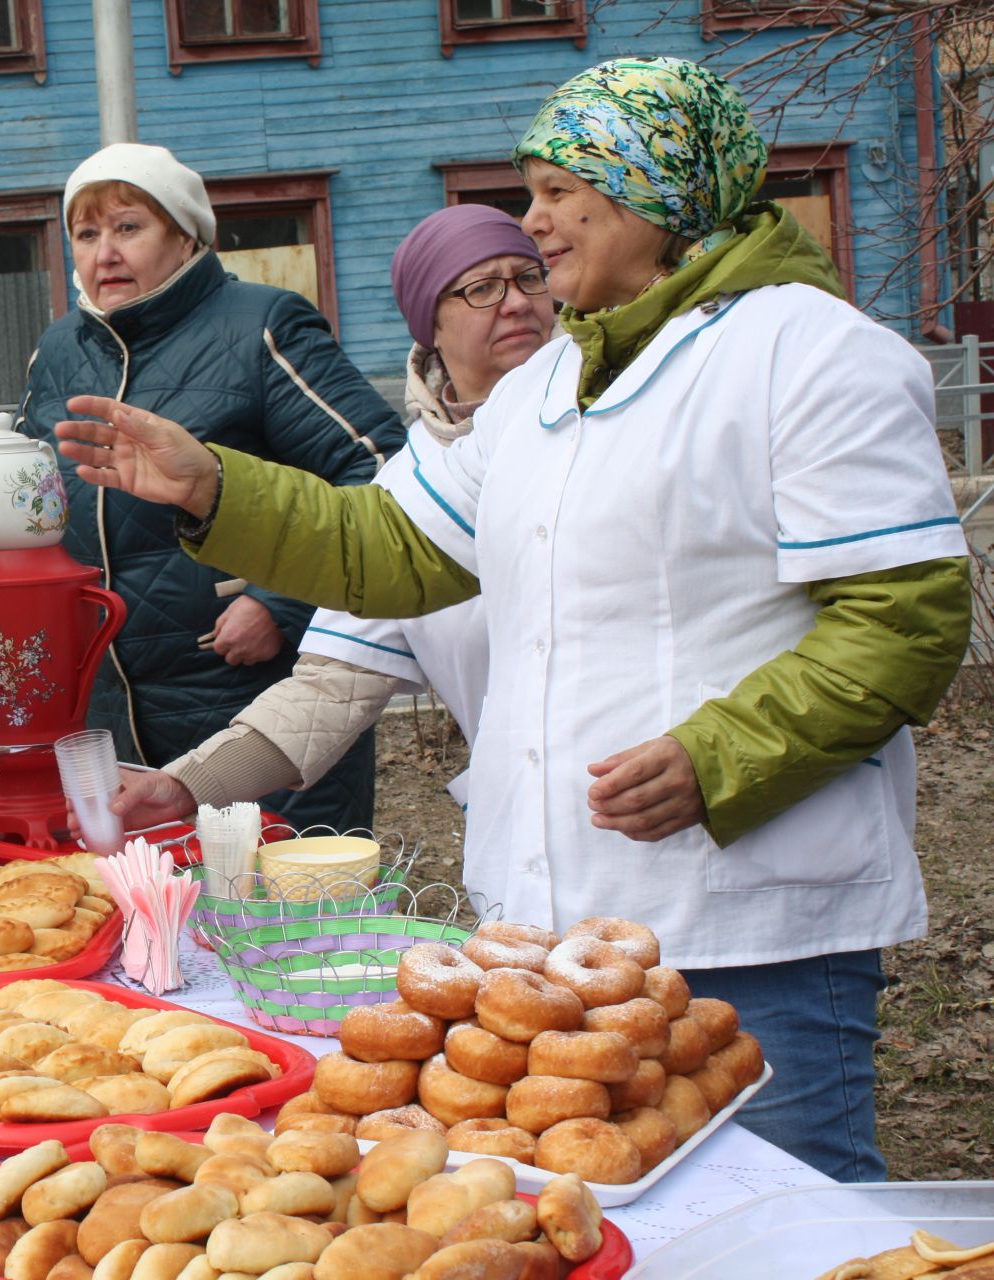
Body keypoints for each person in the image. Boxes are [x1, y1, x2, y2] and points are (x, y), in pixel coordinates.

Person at [55, 57, 971, 1183]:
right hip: (547, 930)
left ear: (649, 189)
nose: (530, 223)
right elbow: (384, 551)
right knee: (617, 1225)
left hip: (749, 924)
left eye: (552, 190)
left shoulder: (810, 351)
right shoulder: (548, 387)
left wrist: (721, 753)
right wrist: (214, 488)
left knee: (789, 1215)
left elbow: (904, 619)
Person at [114, 205, 552, 831]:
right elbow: (331, 691)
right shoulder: (411, 484)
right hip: (527, 825)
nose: (515, 302)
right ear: (428, 320)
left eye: (530, 277)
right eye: (482, 288)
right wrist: (185, 784)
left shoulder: (610, 413)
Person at [19, 142, 406, 837]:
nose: (104, 252)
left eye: (128, 227)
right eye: (86, 233)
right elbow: (31, 506)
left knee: (285, 925)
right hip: (112, 705)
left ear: (187, 234)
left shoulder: (262, 325)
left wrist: (281, 604)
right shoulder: (59, 350)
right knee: (148, 923)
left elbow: (381, 471)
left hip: (250, 696)